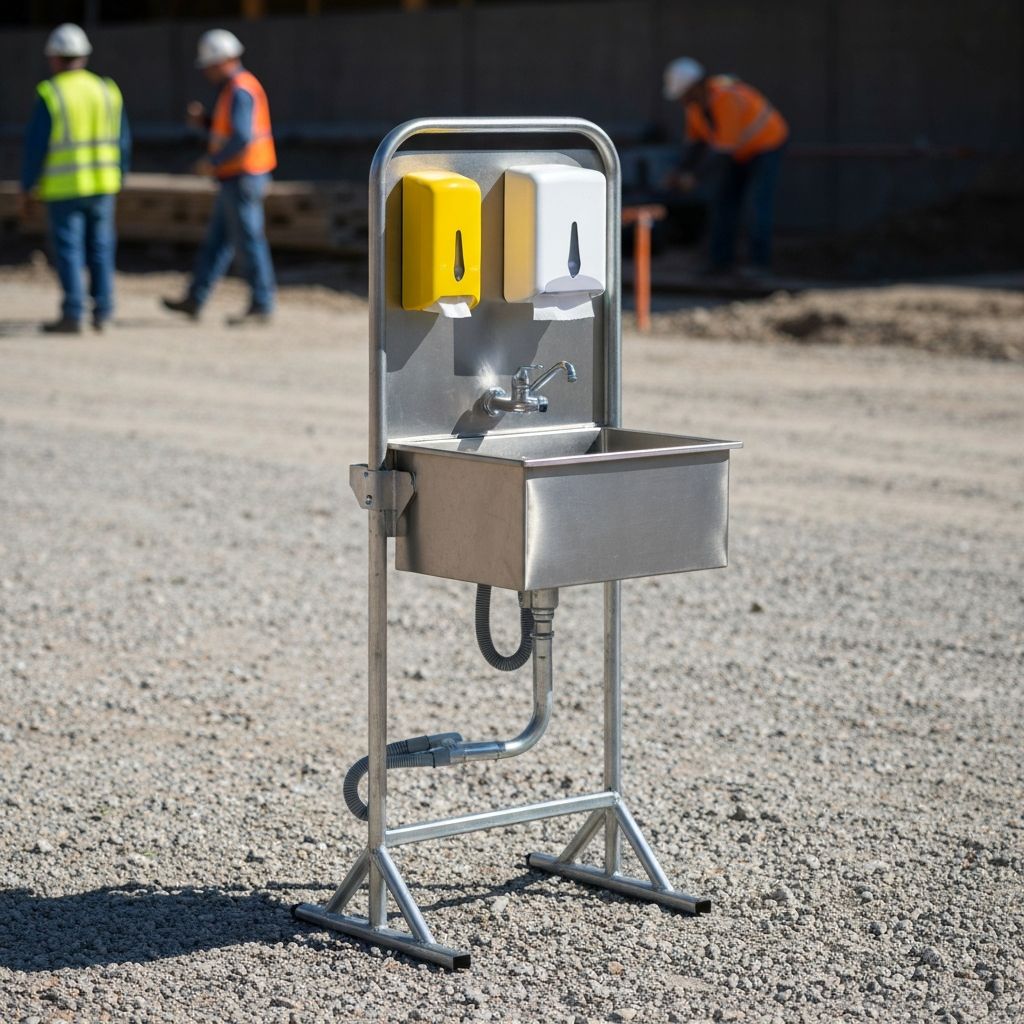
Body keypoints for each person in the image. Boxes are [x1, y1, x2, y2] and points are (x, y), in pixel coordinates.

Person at [20, 23, 130, 334]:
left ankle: (74, 313)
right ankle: (104, 312)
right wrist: (120, 175)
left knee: (69, 250)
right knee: (101, 247)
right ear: (84, 56)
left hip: (64, 187)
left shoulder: (51, 93)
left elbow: (35, 146)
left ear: (54, 58)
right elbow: (123, 141)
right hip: (104, 184)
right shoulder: (107, 89)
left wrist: (27, 187)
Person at [162, 29, 277, 325]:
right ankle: (195, 298)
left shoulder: (240, 89)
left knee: (249, 241)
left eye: (210, 65)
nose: (208, 72)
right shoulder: (235, 89)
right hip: (236, 176)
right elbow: (231, 130)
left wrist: (211, 162)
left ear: (224, 60)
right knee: (217, 242)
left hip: (243, 175)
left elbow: (241, 137)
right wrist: (206, 122)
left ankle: (262, 304)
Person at [663, 57, 788, 277]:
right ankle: (720, 262)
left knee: (758, 204)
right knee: (724, 203)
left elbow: (722, 150)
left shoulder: (726, 98)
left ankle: (759, 265)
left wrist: (694, 177)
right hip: (738, 151)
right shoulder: (695, 108)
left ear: (696, 87)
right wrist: (679, 171)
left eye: (684, 94)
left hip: (766, 145)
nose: (682, 100)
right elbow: (696, 144)